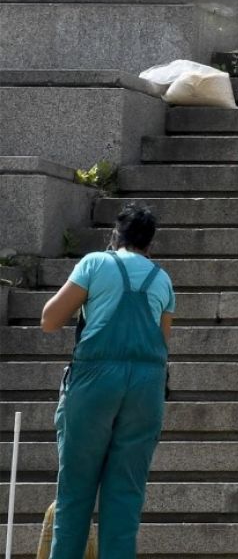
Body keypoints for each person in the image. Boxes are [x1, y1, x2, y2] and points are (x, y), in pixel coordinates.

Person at [38, 202, 175, 559]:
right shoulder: (161, 278)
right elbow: (163, 340)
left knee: (75, 494)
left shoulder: (96, 263)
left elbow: (49, 319)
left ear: (115, 235)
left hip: (95, 381)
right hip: (146, 388)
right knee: (125, 500)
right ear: (150, 244)